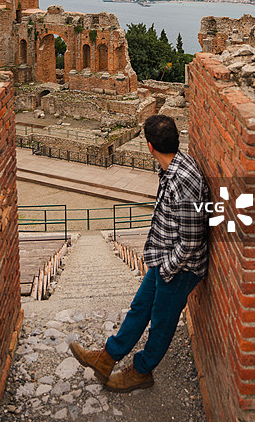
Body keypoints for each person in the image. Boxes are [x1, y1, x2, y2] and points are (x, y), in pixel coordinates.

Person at [70, 114, 210, 392]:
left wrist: (167, 269)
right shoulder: (174, 165)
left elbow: (193, 240)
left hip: (180, 268)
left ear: (149, 146)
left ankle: (141, 372)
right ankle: (107, 358)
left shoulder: (183, 182)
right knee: (140, 308)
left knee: (162, 322)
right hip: (164, 258)